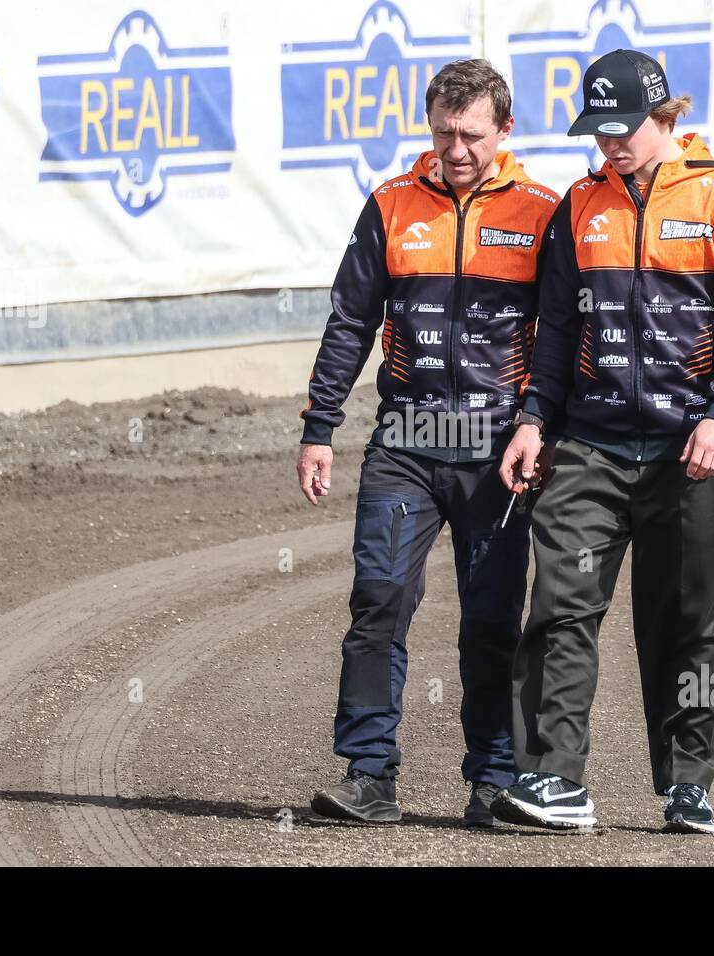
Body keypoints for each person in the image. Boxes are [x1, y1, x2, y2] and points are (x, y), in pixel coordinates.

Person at [491, 49, 714, 834]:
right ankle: (554, 780)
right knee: (559, 606)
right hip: (590, 446)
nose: (609, 143)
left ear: (664, 116)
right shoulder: (579, 206)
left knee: (685, 620)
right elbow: (555, 334)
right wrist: (531, 420)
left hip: (691, 450)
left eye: (622, 128)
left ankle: (689, 782)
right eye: (597, 130)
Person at [297, 58, 560, 826]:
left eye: (471, 134)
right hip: (405, 444)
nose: (455, 149)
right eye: (443, 132)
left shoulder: (546, 210)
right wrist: (319, 429)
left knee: (489, 621)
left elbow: (561, 336)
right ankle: (370, 774)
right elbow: (349, 322)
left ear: (504, 131)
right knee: (378, 600)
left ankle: (495, 780)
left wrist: (539, 422)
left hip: (498, 450)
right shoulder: (389, 204)